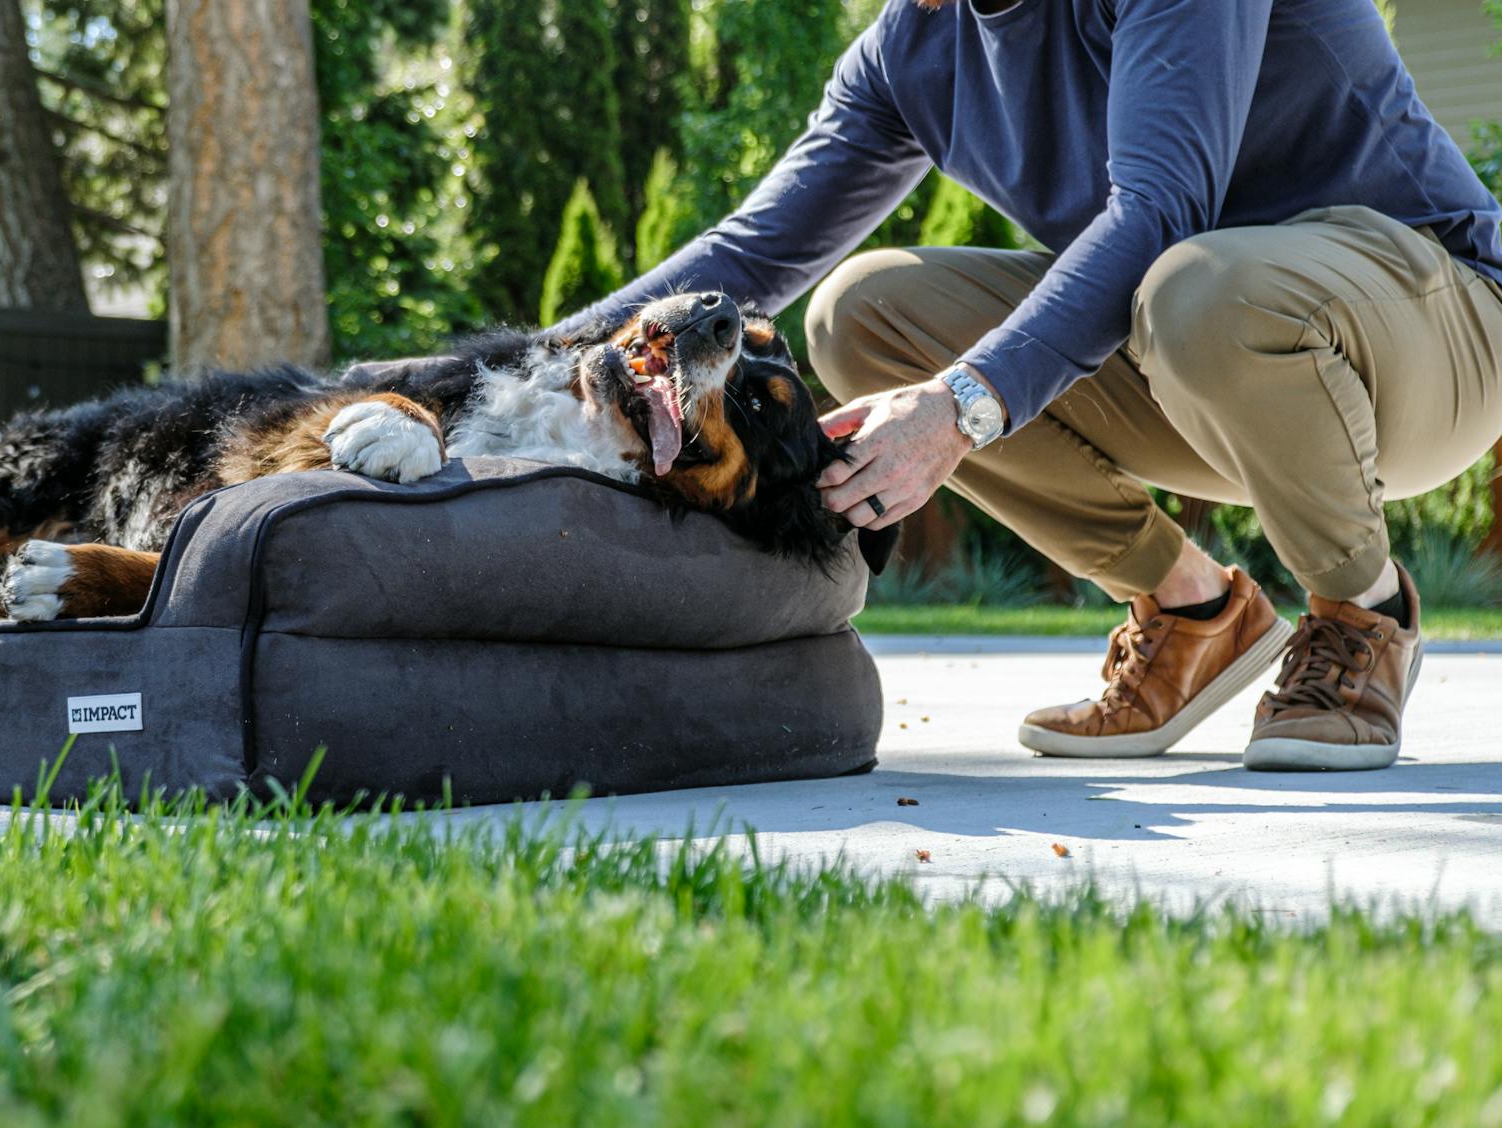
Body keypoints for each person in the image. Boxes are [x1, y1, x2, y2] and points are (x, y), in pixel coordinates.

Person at [560, 0, 1502, 771]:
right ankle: (1192, 610)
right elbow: (750, 254)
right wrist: (535, 362)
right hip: (1202, 354)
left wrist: (958, 407)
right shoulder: (912, 48)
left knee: (1197, 286)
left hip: (1432, 326)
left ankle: (1364, 613)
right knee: (861, 314)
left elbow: (1159, 210)